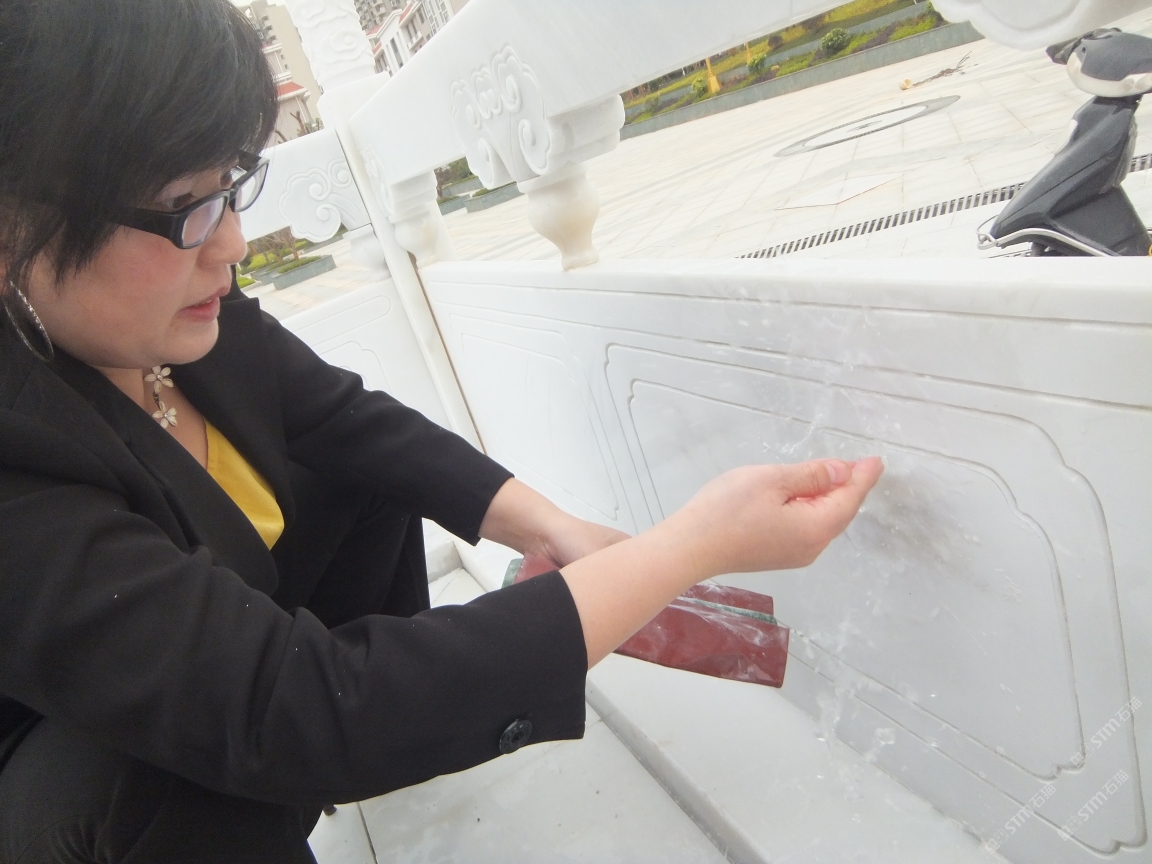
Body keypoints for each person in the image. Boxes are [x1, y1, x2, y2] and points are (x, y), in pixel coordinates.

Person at [0, 1, 884, 861]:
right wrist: (689, 548)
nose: (231, 244)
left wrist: (556, 530)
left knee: (367, 469)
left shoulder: (177, 321)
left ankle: (351, 764)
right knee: (128, 782)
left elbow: (350, 420)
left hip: (258, 714)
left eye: (232, 187)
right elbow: (294, 707)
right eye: (184, 206)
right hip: (90, 800)